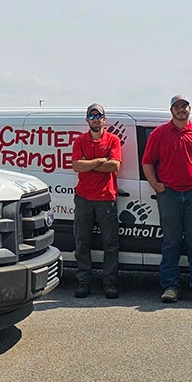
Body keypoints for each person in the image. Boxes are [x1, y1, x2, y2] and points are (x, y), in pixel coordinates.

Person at [141, 95, 192, 304]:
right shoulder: (159, 134)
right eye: (177, 106)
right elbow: (147, 163)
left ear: (189, 109)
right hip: (169, 194)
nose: (181, 110)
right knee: (170, 243)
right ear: (171, 110)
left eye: (184, 106)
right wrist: (156, 185)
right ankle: (170, 287)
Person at [71, 103, 122, 299]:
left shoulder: (113, 140)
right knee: (82, 242)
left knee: (110, 243)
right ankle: (83, 281)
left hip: (106, 197)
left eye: (98, 116)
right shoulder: (80, 141)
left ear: (104, 119)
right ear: (87, 120)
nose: (95, 119)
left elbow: (114, 165)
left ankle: (110, 283)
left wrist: (89, 164)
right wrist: (101, 160)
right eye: (91, 116)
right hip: (84, 197)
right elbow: (77, 166)